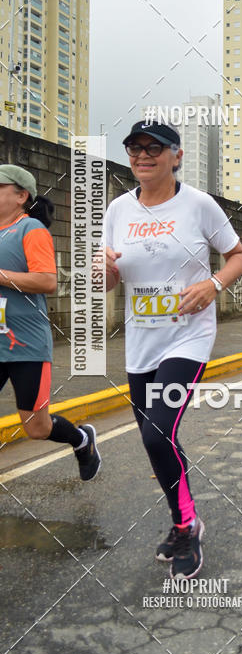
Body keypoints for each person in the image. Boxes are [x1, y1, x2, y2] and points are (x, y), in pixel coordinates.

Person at [103, 121, 242, 579]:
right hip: (141, 342)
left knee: (155, 432)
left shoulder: (199, 205)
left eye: (153, 148)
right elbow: (110, 280)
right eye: (134, 148)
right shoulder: (117, 210)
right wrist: (100, 273)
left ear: (176, 154)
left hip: (188, 337)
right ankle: (184, 516)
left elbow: (239, 255)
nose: (142, 155)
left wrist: (213, 283)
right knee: (157, 440)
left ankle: (186, 526)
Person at [0, 165, 100, 478]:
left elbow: (46, 281)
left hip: (26, 344)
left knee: (36, 427)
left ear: (20, 196)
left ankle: (81, 440)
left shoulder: (30, 230)